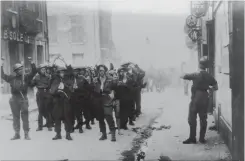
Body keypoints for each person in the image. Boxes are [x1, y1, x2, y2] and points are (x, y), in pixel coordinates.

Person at [181, 56, 218, 144]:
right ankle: (202, 138)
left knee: (192, 118)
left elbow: (183, 76)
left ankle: (192, 138)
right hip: (205, 97)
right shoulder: (209, 76)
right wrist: (208, 88)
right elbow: (216, 87)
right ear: (207, 66)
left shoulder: (195, 74)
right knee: (203, 118)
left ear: (199, 64)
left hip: (195, 98)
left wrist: (182, 67)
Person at [1, 58, 37, 140]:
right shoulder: (11, 78)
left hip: (23, 99)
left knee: (25, 117)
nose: (21, 70)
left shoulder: (26, 77)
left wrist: (32, 62)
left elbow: (34, 71)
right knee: (15, 117)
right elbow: (2, 75)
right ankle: (17, 133)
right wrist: (1, 64)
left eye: (22, 69)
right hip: (14, 99)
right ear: (16, 71)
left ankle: (26, 134)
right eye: (19, 69)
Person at [93, 64, 116, 141]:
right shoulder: (96, 79)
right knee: (100, 118)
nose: (101, 72)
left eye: (102, 70)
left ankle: (113, 134)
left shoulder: (110, 79)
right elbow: (93, 89)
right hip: (98, 99)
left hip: (107, 99)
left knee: (108, 116)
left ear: (105, 71)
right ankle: (104, 134)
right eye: (99, 70)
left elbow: (114, 87)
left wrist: (113, 94)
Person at [50, 66, 73, 140]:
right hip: (58, 101)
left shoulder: (68, 80)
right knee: (57, 117)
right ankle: (58, 134)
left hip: (66, 102)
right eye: (60, 72)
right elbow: (52, 91)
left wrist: (65, 87)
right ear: (58, 73)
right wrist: (57, 90)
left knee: (67, 117)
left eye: (63, 72)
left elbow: (72, 90)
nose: (62, 73)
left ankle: (68, 134)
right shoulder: (55, 81)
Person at [31, 63, 53, 131]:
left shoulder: (48, 76)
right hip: (40, 94)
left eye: (44, 69)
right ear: (39, 70)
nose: (44, 70)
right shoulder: (36, 77)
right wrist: (32, 79)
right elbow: (32, 85)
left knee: (48, 110)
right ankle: (40, 126)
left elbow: (50, 85)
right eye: (42, 69)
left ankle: (49, 125)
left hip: (47, 93)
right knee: (40, 111)